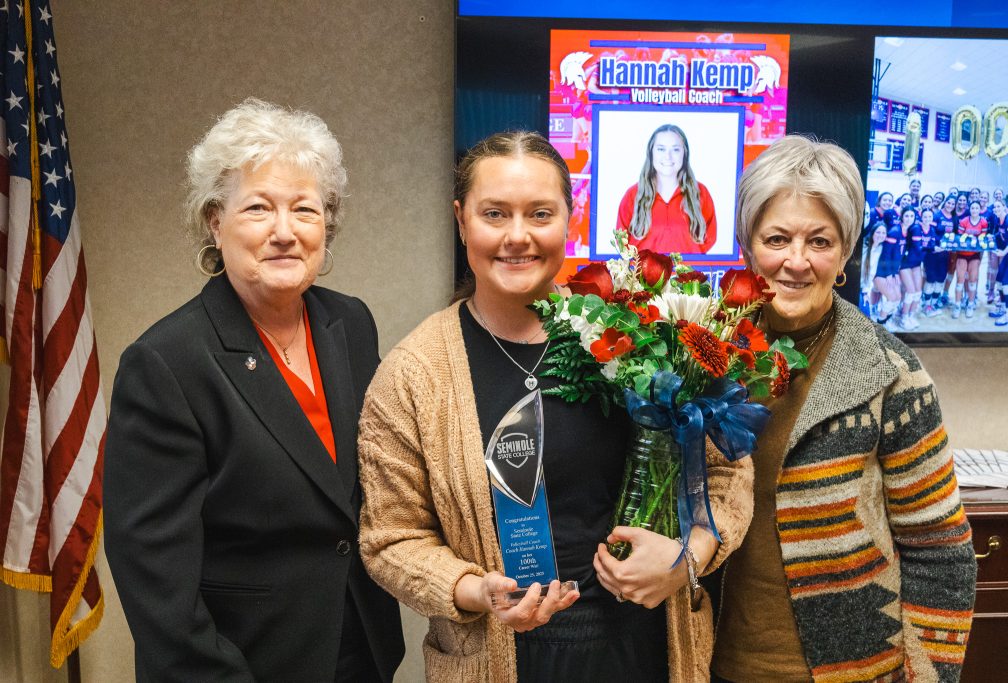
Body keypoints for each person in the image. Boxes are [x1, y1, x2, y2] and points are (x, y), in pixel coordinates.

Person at [358, 131, 753, 682]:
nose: (517, 237)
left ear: (571, 217)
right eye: (494, 213)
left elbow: (725, 472)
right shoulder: (413, 375)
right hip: (499, 658)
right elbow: (390, 538)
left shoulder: (635, 333)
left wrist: (688, 558)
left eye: (539, 214)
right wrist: (473, 590)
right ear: (460, 218)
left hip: (646, 651)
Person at [103, 99, 404, 682]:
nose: (285, 232)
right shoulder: (166, 362)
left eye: (305, 210)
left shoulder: (350, 323)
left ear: (327, 224)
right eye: (259, 208)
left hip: (358, 648)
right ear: (216, 221)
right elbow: (155, 578)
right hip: (241, 662)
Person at [710, 135, 976, 682]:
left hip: (852, 668)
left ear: (847, 250)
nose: (796, 262)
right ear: (747, 244)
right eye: (777, 238)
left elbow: (941, 551)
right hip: (711, 658)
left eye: (820, 241)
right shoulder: (701, 353)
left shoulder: (891, 373)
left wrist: (929, 676)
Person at [618, 123, 718, 254]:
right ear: (651, 152)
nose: (668, 156)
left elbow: (709, 237)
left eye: (675, 149)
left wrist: (690, 261)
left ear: (684, 154)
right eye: (661, 149)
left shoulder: (700, 193)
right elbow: (621, 241)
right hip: (643, 274)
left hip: (687, 274)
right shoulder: (633, 195)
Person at [954, 200, 988, 319]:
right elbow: (960, 237)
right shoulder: (963, 221)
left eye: (976, 208)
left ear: (980, 209)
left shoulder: (983, 222)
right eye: (972, 208)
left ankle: (970, 304)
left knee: (973, 280)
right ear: (970, 209)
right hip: (962, 253)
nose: (974, 210)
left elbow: (983, 237)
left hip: (974, 254)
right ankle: (957, 305)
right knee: (960, 279)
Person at [897, 206, 924, 330]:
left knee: (918, 292)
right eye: (906, 216)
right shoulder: (897, 229)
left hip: (915, 263)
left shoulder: (915, 228)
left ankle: (910, 315)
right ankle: (904, 317)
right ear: (902, 216)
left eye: (911, 216)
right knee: (910, 291)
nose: (909, 219)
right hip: (904, 264)